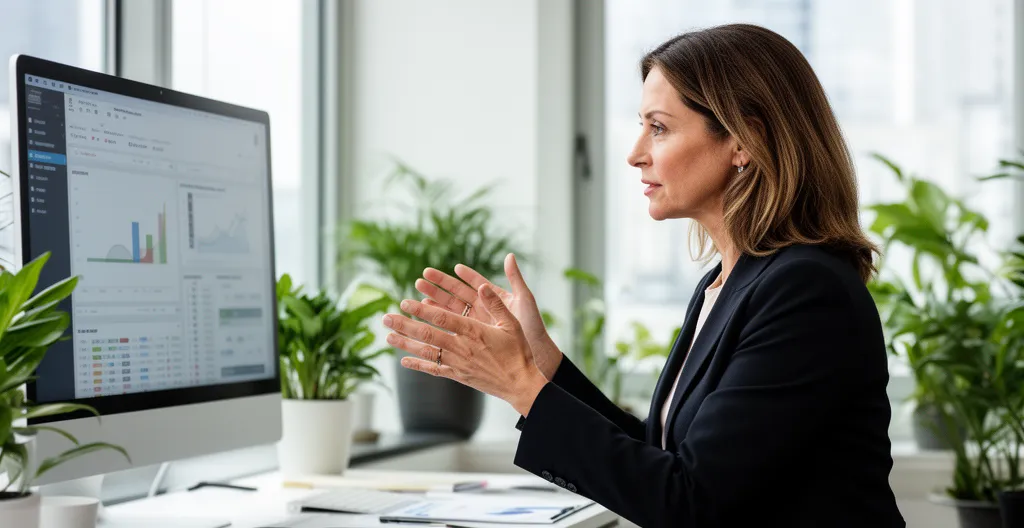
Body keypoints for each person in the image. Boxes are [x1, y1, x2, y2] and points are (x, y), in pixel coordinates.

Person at [381, 24, 905, 527]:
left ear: (744, 141)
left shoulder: (805, 292)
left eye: (659, 127)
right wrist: (543, 366)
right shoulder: (726, 283)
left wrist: (522, 388)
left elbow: (690, 504)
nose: (635, 154)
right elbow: (667, 459)